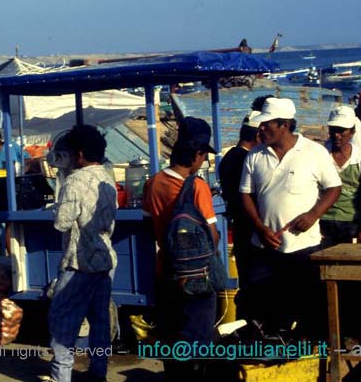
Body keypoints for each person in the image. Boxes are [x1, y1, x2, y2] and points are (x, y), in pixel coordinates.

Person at [239, 97, 341, 335]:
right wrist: (259, 227)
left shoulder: (314, 152)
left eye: (267, 125)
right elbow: (245, 195)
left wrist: (313, 214)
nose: (260, 129)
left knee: (307, 305)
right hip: (265, 247)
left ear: (284, 125)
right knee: (266, 306)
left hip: (303, 246)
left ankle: (308, 353)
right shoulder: (254, 156)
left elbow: (334, 188)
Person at [143, 116, 219, 381]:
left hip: (166, 271)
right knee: (199, 338)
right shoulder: (197, 187)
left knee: (171, 335)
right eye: (204, 156)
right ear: (197, 154)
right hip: (197, 277)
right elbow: (213, 236)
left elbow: (148, 225)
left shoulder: (152, 183)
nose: (204, 162)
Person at [47, 125, 117, 382]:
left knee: (62, 323)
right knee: (99, 321)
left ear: (78, 154)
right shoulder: (108, 177)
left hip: (78, 262)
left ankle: (61, 377)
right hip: (105, 258)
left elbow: (62, 223)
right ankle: (99, 373)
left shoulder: (74, 181)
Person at [320, 106, 361, 246]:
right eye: (334, 130)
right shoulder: (320, 155)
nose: (337, 135)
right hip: (323, 221)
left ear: (352, 132)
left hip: (352, 223)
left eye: (342, 131)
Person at [218, 111, 260, 282]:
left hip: (238, 225)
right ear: (257, 135)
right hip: (250, 226)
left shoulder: (228, 157)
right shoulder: (247, 160)